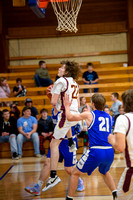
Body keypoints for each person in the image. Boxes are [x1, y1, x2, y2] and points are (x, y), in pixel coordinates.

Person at [64, 93, 117, 200]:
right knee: (104, 172)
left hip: (96, 151)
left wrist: (66, 106)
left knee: (75, 173)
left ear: (93, 104)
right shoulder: (109, 116)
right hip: (109, 151)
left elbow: (69, 117)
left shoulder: (89, 115)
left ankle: (69, 198)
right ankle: (115, 194)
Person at [24, 108, 84, 195]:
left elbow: (67, 126)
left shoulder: (65, 107)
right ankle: (38, 187)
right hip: (57, 141)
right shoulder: (53, 109)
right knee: (47, 162)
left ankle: (79, 181)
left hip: (68, 141)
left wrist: (70, 140)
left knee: (68, 169)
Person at [43, 61, 81, 191]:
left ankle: (53, 176)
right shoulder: (75, 83)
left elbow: (53, 101)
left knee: (54, 144)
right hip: (75, 115)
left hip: (66, 114)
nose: (59, 68)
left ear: (66, 72)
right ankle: (71, 141)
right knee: (66, 125)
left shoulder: (60, 81)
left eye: (62, 67)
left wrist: (55, 100)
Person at [108, 89, 133, 200]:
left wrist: (112, 140)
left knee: (121, 198)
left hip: (132, 169)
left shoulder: (123, 118)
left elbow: (120, 147)